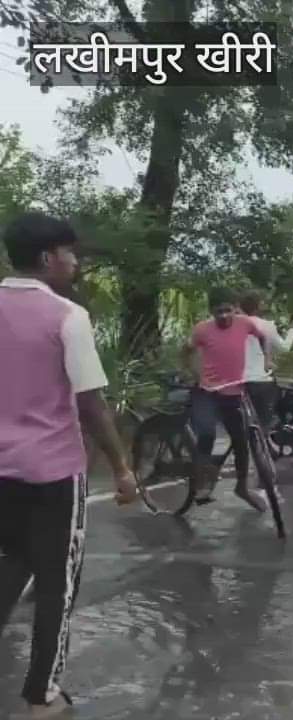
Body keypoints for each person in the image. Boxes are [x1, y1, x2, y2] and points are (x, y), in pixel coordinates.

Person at [0, 212, 138, 717]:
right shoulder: (67, 315)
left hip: (2, 473)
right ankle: (43, 696)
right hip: (54, 473)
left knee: (11, 563)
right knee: (57, 583)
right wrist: (122, 467)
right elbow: (92, 402)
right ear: (46, 258)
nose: (75, 263)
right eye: (70, 254)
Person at [182, 287, 269, 512]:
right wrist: (194, 373)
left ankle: (242, 488)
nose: (223, 316)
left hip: (233, 391)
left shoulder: (246, 324)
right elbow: (186, 350)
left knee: (241, 442)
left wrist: (266, 361)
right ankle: (203, 482)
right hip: (207, 391)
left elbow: (263, 338)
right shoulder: (202, 329)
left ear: (235, 309)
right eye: (218, 312)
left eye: (228, 311)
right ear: (211, 311)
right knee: (207, 433)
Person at [239, 289, 289, 432]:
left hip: (239, 379)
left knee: (244, 420)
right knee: (265, 421)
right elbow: (283, 348)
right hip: (262, 379)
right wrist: (291, 332)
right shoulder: (267, 325)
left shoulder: (235, 325)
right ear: (258, 305)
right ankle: (266, 441)